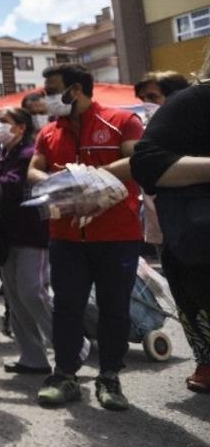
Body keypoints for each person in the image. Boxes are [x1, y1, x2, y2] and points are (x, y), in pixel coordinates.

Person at [29, 63, 142, 411]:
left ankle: (109, 376)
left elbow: (139, 161)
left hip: (117, 234)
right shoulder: (49, 132)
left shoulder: (122, 121)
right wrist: (52, 182)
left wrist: (93, 176)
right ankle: (65, 375)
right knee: (67, 306)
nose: (47, 98)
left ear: (75, 90)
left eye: (52, 90)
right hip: (65, 235)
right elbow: (34, 168)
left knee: (114, 307)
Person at [131, 47, 210, 394]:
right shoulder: (193, 103)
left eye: (151, 96)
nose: (148, 102)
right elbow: (145, 163)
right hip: (194, 239)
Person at [0, 107, 54, 376]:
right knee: (16, 298)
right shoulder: (4, 153)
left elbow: (13, 185)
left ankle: (72, 344)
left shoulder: (28, 154)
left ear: (20, 127)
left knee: (32, 292)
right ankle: (33, 357)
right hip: (7, 235)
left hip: (32, 235)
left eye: (4, 122)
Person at [134, 71, 191, 251]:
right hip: (160, 232)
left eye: (152, 97)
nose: (146, 104)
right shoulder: (145, 134)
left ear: (177, 96)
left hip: (194, 227)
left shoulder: (194, 133)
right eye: (143, 98)